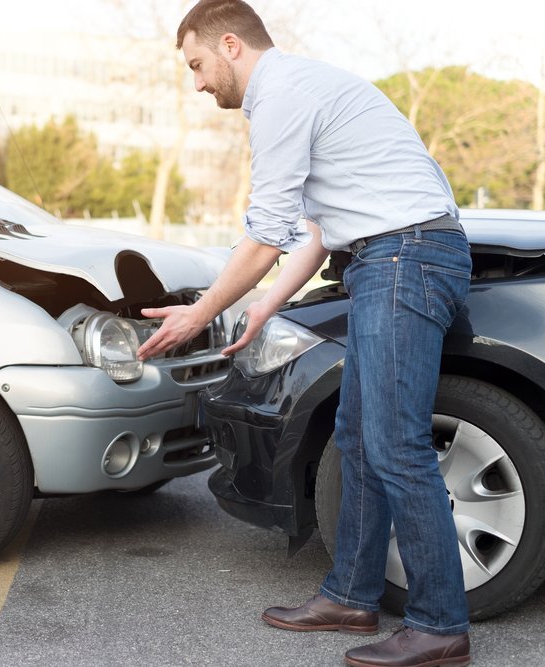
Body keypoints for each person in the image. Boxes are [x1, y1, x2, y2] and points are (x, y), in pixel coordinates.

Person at [138, 2, 472, 665]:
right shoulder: (305, 86)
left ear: (230, 45)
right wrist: (263, 307)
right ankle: (350, 594)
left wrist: (201, 312)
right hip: (391, 259)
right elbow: (317, 231)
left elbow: (266, 234)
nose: (198, 84)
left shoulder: (281, 95)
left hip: (404, 260)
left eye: (198, 65)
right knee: (357, 435)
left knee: (395, 442)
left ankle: (440, 624)